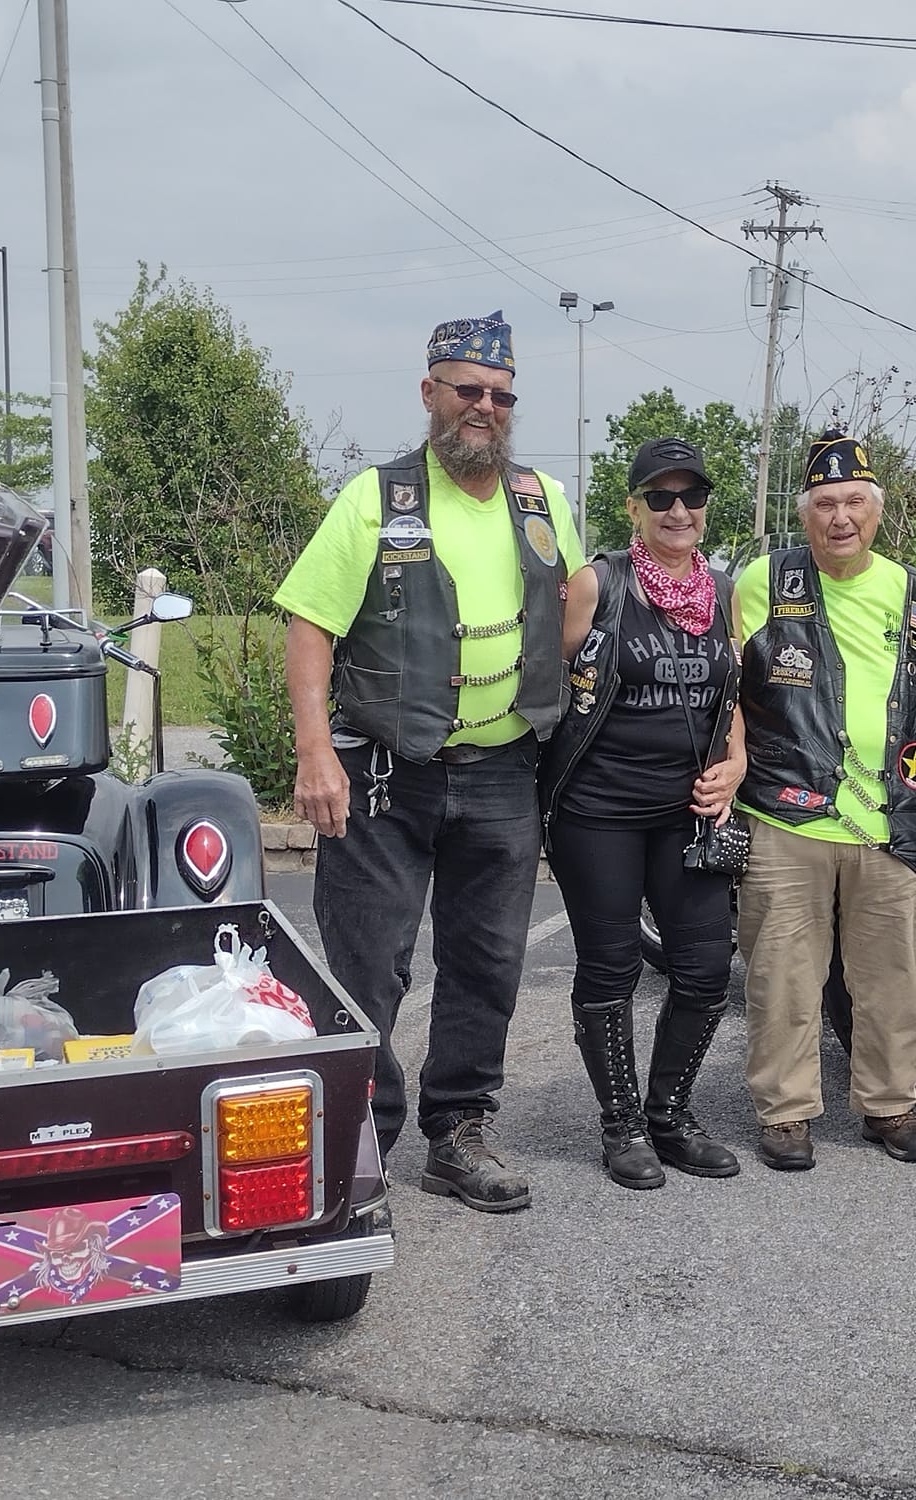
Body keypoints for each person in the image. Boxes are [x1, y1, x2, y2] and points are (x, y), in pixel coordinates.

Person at [275, 310, 583, 1215]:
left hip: (500, 770)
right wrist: (314, 750)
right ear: (430, 394)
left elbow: (573, 597)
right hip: (383, 769)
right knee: (367, 965)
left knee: (488, 961)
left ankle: (459, 1130)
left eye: (499, 395)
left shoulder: (540, 500)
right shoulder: (375, 499)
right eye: (467, 391)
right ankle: (359, 1137)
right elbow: (310, 624)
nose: (483, 408)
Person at [734, 427, 916, 1171]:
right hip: (786, 812)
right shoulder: (762, 581)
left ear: (877, 510)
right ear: (805, 512)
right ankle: (785, 1113)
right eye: (825, 503)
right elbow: (728, 687)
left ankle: (890, 1106)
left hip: (891, 817)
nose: (841, 517)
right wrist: (730, 763)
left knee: (892, 972)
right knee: (783, 970)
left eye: (855, 501)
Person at [540, 437, 746, 1190]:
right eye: (660, 497)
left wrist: (737, 765)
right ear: (634, 508)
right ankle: (622, 1124)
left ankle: (670, 1113)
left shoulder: (723, 592)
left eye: (691, 496)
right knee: (612, 968)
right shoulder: (600, 583)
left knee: (703, 968)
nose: (678, 510)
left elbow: (733, 693)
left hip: (688, 812)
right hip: (599, 811)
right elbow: (549, 681)